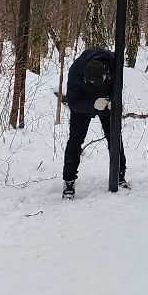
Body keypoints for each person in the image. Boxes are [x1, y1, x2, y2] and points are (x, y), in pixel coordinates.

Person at [61, 47, 126, 198]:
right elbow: (73, 102)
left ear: (106, 74)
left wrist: (114, 102)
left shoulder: (115, 64)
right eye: (89, 82)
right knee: (75, 140)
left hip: (106, 102)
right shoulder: (76, 71)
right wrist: (92, 104)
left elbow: (118, 87)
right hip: (82, 104)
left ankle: (120, 175)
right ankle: (69, 181)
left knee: (114, 136)